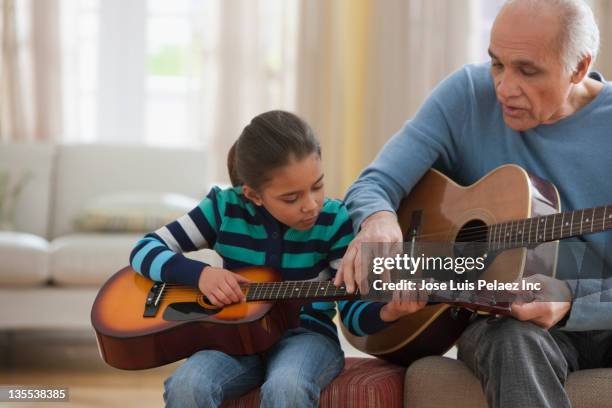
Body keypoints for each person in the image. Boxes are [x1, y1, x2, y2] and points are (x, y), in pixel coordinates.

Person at [336, 0, 612, 407]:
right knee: (511, 337)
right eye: (497, 63)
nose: (502, 87)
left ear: (579, 66)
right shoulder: (466, 94)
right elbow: (376, 183)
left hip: (600, 317)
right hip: (504, 323)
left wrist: (571, 301)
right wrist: (377, 220)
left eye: (527, 70)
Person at [129, 110, 411, 408]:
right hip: (231, 339)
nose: (311, 205)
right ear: (253, 194)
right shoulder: (224, 208)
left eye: (317, 186)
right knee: (187, 384)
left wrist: (387, 312)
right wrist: (200, 275)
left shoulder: (335, 219)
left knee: (286, 387)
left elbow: (353, 309)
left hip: (307, 338)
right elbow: (145, 248)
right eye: (291, 198)